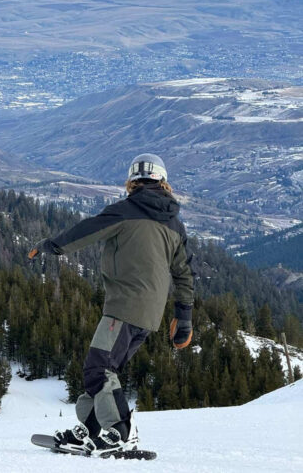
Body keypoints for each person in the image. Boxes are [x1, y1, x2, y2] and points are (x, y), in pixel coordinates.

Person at [28, 153, 195, 454]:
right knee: (108, 370)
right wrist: (184, 317)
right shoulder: (175, 225)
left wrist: (50, 246)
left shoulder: (125, 211)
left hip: (124, 307)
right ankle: (90, 431)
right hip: (149, 315)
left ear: (132, 182)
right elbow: (184, 274)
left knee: (99, 369)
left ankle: (122, 431)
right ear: (163, 182)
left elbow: (85, 231)